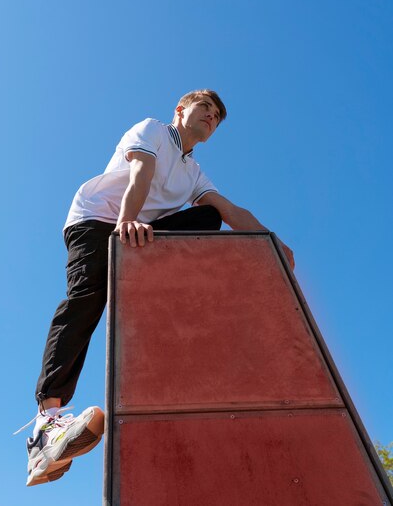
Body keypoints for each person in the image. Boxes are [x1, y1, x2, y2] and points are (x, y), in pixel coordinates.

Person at [16, 89, 294, 486]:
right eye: (205, 109)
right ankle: (46, 427)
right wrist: (127, 219)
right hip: (98, 220)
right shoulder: (154, 131)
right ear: (181, 111)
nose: (211, 118)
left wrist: (272, 241)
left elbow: (230, 210)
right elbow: (141, 174)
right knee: (87, 297)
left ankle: (173, 304)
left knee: (209, 216)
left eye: (217, 117)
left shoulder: (193, 171)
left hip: (138, 233)